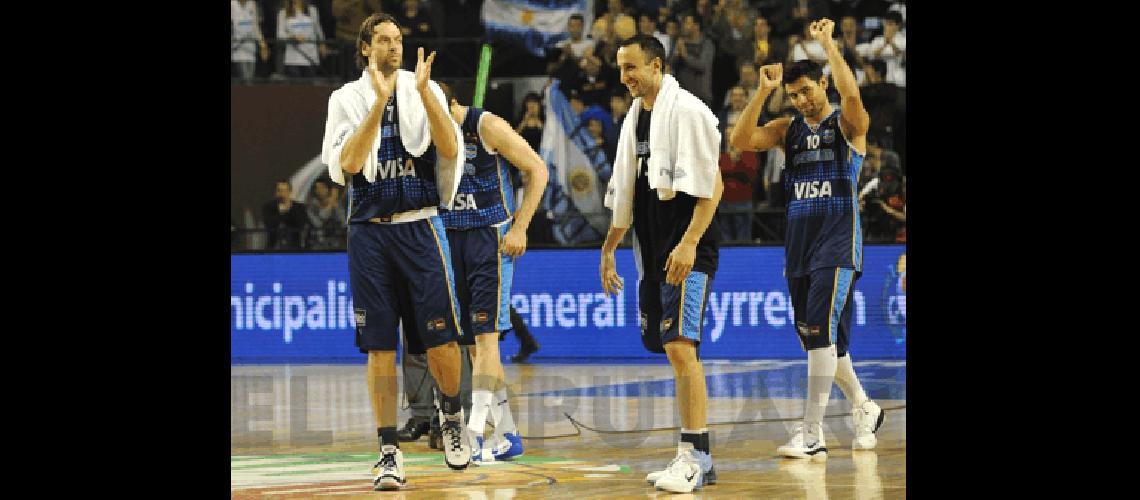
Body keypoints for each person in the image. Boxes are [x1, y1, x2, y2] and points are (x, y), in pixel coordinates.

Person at [319, 13, 470, 490]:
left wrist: (426, 95)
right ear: (365, 48)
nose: (393, 47)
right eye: (383, 40)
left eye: (398, 39)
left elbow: (449, 149)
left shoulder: (420, 87)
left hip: (420, 226)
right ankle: (387, 450)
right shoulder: (345, 99)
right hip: (369, 232)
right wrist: (377, 104)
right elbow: (346, 162)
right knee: (380, 348)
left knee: (443, 343)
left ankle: (450, 412)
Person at [729, 18, 885, 461]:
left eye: (807, 91)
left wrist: (829, 46)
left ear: (823, 84)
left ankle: (812, 434)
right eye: (793, 96)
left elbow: (852, 97)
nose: (800, 101)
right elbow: (741, 139)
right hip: (798, 246)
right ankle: (864, 406)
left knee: (819, 334)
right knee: (824, 340)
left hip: (837, 243)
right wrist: (762, 92)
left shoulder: (847, 125)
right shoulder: (788, 129)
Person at [601, 34, 721, 493]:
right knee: (667, 347)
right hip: (654, 254)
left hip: (688, 250)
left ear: (656, 65)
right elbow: (627, 191)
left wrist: (690, 243)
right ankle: (701, 457)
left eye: (631, 67)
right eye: (620, 68)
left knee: (680, 347)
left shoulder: (687, 111)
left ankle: (691, 457)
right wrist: (610, 246)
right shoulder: (637, 119)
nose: (624, 77)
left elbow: (714, 188)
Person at [438, 83, 550, 463]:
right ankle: (508, 434)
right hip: (451, 235)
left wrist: (520, 227)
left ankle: (473, 433)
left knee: (486, 340)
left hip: (490, 236)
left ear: (448, 103)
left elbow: (538, 169)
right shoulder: (428, 132)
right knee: (473, 345)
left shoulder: (485, 126)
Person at [278, 0, 328, 78]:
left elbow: (318, 30)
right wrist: (293, 36)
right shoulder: (283, 13)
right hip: (293, 58)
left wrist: (322, 44)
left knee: (309, 86)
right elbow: (280, 34)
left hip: (310, 56)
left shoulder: (312, 10)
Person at [262, 180, 309, 250]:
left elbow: (300, 224)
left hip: (294, 247)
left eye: (285, 191)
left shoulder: (299, 208)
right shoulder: (268, 207)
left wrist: (289, 209)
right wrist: (284, 211)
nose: (282, 194)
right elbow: (269, 224)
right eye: (279, 191)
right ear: (276, 192)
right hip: (274, 247)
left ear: (290, 192)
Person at [231, 0, 269, 83]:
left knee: (250, 78)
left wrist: (262, 43)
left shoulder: (252, 3)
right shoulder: (232, 4)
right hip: (238, 48)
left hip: (250, 47)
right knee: (246, 79)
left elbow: (255, 26)